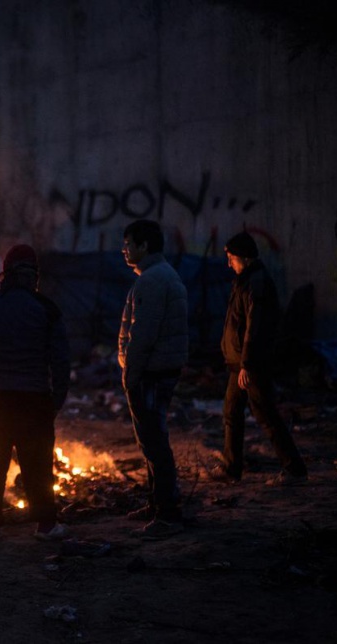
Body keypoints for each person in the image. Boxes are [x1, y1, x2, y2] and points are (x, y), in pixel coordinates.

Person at [0, 244, 71, 541]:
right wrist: (56, 400)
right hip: (35, 400)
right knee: (38, 465)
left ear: (5, 274)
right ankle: (46, 526)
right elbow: (61, 359)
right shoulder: (47, 310)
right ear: (34, 275)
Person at [218, 231, 308, 485]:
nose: (229, 264)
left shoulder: (256, 283)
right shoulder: (245, 280)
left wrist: (247, 363)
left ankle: (294, 470)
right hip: (241, 363)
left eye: (232, 258)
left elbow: (254, 327)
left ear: (244, 258)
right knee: (232, 412)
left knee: (265, 414)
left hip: (251, 364)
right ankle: (230, 467)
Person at [118, 220, 189, 539]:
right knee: (152, 438)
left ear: (145, 246)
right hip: (160, 369)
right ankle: (158, 503)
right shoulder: (161, 275)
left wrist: (130, 375)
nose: (124, 250)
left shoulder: (151, 281)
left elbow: (142, 335)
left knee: (153, 440)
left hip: (150, 373)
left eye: (129, 243)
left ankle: (167, 512)